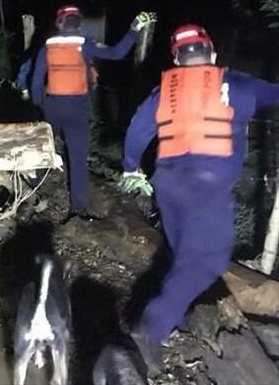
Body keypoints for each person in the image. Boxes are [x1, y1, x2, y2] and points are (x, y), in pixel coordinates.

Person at [118, 24, 279, 373]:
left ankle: (176, 310)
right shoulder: (236, 84)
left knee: (184, 255)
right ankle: (151, 328)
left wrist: (131, 168)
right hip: (207, 189)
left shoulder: (164, 89)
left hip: (169, 185)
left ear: (176, 58)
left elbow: (136, 130)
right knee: (208, 261)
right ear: (213, 53)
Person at [29, 5, 155, 217]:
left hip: (52, 106)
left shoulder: (47, 46)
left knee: (44, 148)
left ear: (59, 24)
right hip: (77, 108)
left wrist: (38, 104)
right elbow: (117, 53)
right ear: (78, 24)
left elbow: (36, 79)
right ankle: (77, 209)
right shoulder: (84, 44)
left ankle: (32, 188)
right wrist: (134, 29)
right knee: (78, 160)